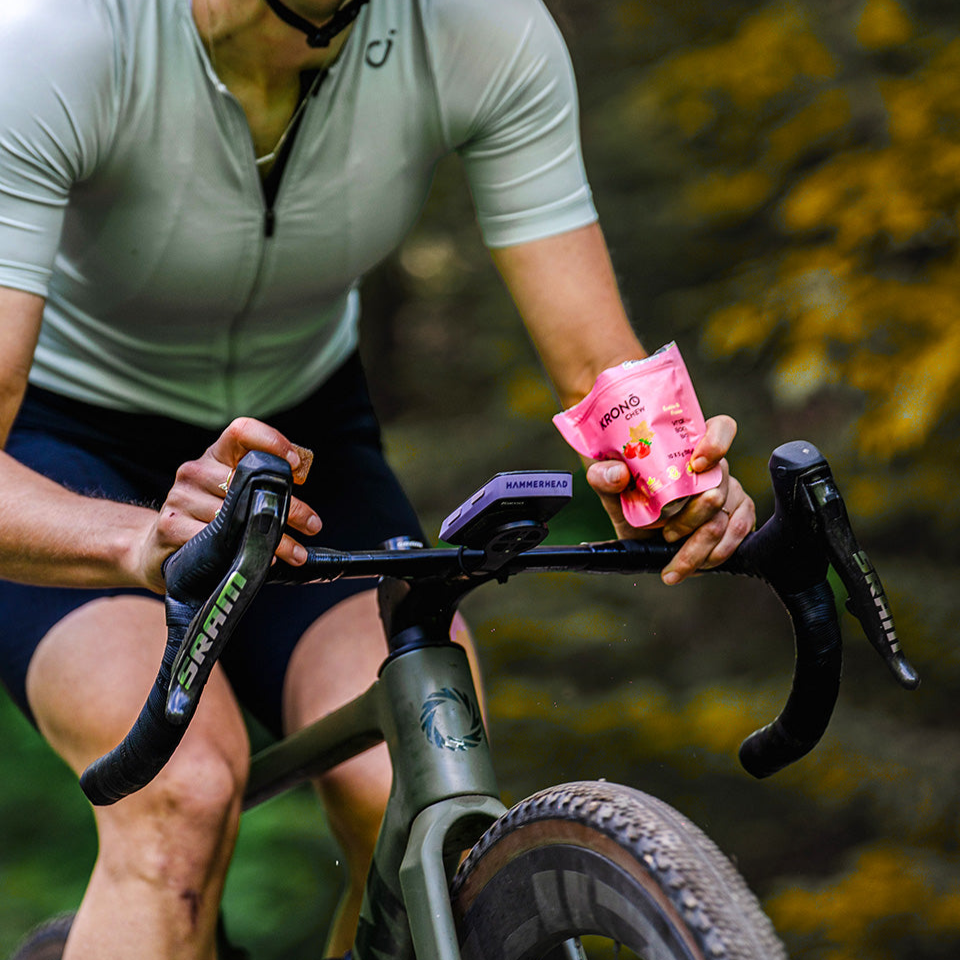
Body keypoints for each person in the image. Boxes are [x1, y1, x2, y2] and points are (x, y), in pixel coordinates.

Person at [0, 0, 755, 957]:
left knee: (414, 785)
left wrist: (672, 473)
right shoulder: (54, 44)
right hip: (63, 445)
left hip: (301, 439)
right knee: (181, 801)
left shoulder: (480, 31)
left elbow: (597, 364)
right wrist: (132, 538)